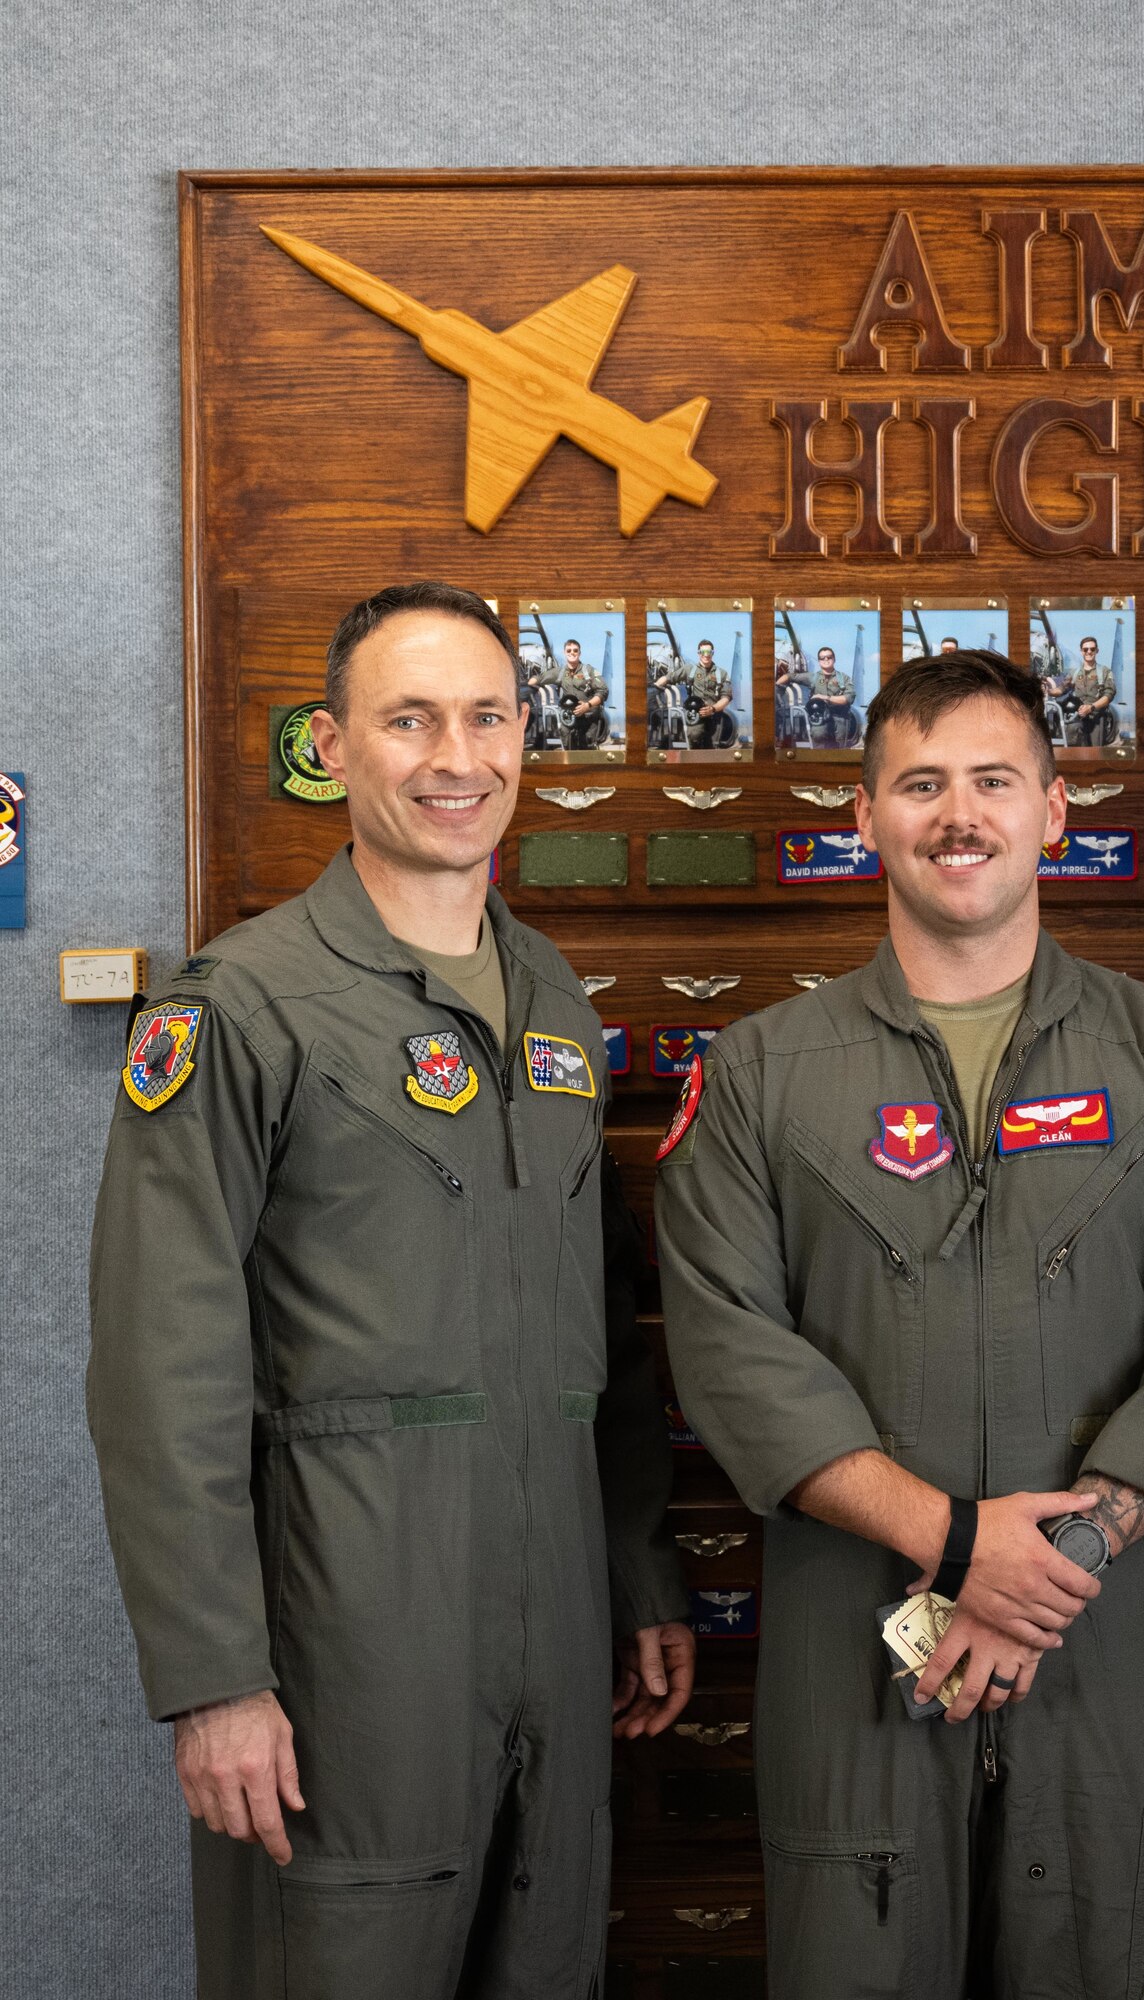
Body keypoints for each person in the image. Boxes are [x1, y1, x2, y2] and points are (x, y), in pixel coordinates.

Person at [88, 581, 696, 1998]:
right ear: (333, 747)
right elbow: (157, 1369)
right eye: (409, 719)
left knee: (546, 1959)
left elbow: (599, 1329)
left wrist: (637, 1569)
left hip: (556, 1630)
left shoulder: (552, 999)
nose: (455, 757)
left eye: (487, 718)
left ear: (526, 740)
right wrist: (212, 1680)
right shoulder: (234, 1009)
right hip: (344, 1643)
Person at [656, 648, 1144, 1999]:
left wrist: (1049, 1563)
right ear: (866, 817)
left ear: (1056, 810)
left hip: (1097, 1636)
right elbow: (726, 1345)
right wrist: (953, 1543)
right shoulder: (761, 1072)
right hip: (855, 1632)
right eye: (923, 783)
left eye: (995, 780)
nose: (961, 814)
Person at [558, 635, 611, 752]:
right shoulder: (560, 673)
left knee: (587, 748)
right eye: (569, 650)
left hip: (589, 719)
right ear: (564, 653)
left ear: (580, 653)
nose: (572, 653)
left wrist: (587, 706)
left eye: (575, 650)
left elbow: (603, 691)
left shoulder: (588, 671)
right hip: (569, 719)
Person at [1067, 632, 1118, 749]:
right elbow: (1061, 689)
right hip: (1077, 720)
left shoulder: (1105, 672)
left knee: (1095, 754)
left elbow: (1109, 694)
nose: (1089, 652)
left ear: (1097, 651)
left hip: (1096, 719)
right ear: (1081, 651)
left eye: (1092, 649)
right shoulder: (1073, 673)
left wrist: (1091, 707)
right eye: (1085, 649)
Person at [682, 638, 735, 750]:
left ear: (712, 653)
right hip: (696, 715)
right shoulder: (689, 670)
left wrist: (712, 709)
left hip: (715, 716)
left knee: (712, 748)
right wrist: (657, 685)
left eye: (709, 652)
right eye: (703, 652)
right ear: (699, 653)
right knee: (694, 736)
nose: (706, 655)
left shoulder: (722, 673)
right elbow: (669, 677)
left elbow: (726, 697)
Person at [807, 642, 857, 748]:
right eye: (822, 658)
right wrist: (779, 686)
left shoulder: (844, 678)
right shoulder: (813, 677)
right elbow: (791, 676)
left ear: (834, 659)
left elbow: (849, 698)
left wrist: (824, 697)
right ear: (819, 661)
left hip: (840, 718)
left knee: (839, 749)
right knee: (818, 737)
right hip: (820, 719)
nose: (826, 659)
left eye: (829, 657)